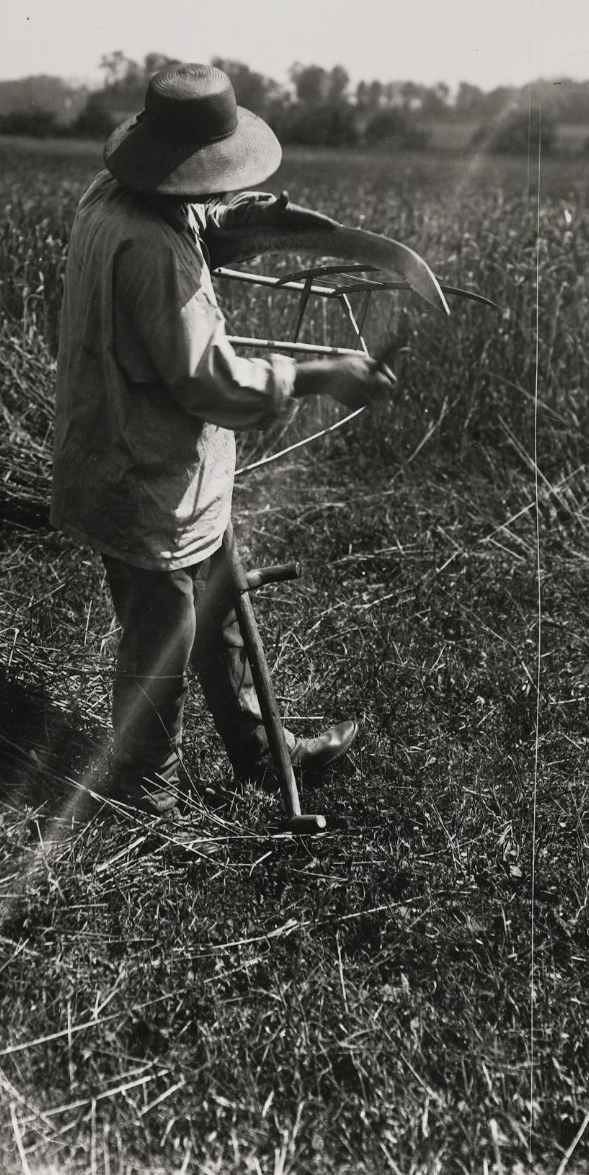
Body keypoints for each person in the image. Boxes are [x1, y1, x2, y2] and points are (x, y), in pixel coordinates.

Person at [51, 63, 395, 820]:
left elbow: (191, 222)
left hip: (154, 462)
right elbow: (214, 383)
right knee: (163, 638)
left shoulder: (110, 196)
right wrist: (322, 373)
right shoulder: (153, 253)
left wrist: (264, 221)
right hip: (142, 473)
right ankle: (151, 798)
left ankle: (259, 747)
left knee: (222, 607)